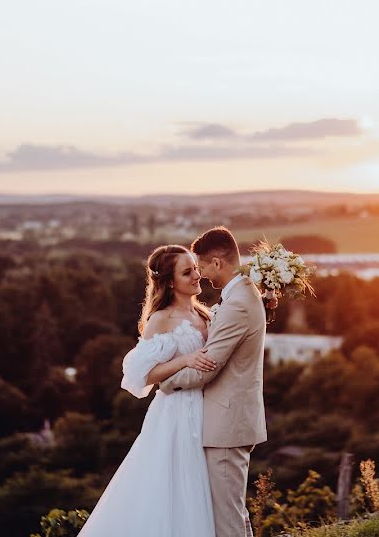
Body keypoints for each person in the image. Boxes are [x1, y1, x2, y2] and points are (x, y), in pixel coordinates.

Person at [78, 244, 218, 537]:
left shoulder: (203, 314)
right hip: (176, 413)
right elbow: (139, 376)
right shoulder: (161, 319)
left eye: (195, 268)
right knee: (175, 488)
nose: (197, 276)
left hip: (207, 408)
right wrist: (184, 359)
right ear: (169, 282)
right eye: (187, 272)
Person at [159, 226, 268, 537]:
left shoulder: (237, 303)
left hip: (226, 424)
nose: (201, 275)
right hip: (232, 420)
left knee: (226, 520)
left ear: (217, 263)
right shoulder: (244, 292)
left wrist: (165, 381)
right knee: (233, 513)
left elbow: (207, 368)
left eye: (202, 266)